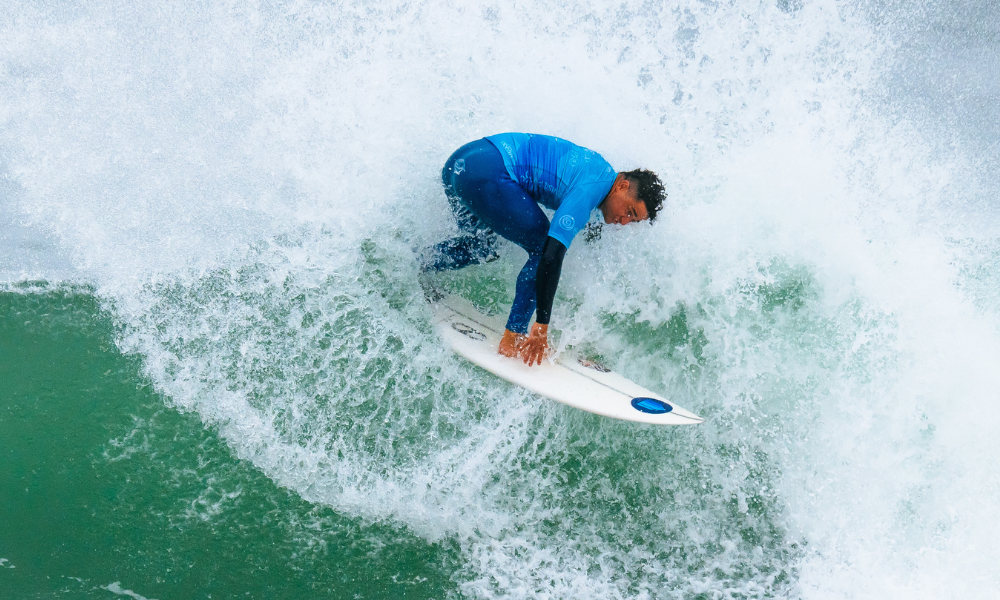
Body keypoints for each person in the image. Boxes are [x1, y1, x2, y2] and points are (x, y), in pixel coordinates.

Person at [422, 133, 665, 366]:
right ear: (622, 186)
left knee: (483, 246)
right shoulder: (590, 192)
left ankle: (416, 263)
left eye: (633, 221)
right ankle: (513, 337)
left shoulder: (600, 172)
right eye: (630, 212)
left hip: (462, 162)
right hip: (486, 173)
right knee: (540, 249)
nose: (624, 222)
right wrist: (541, 324)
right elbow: (550, 258)